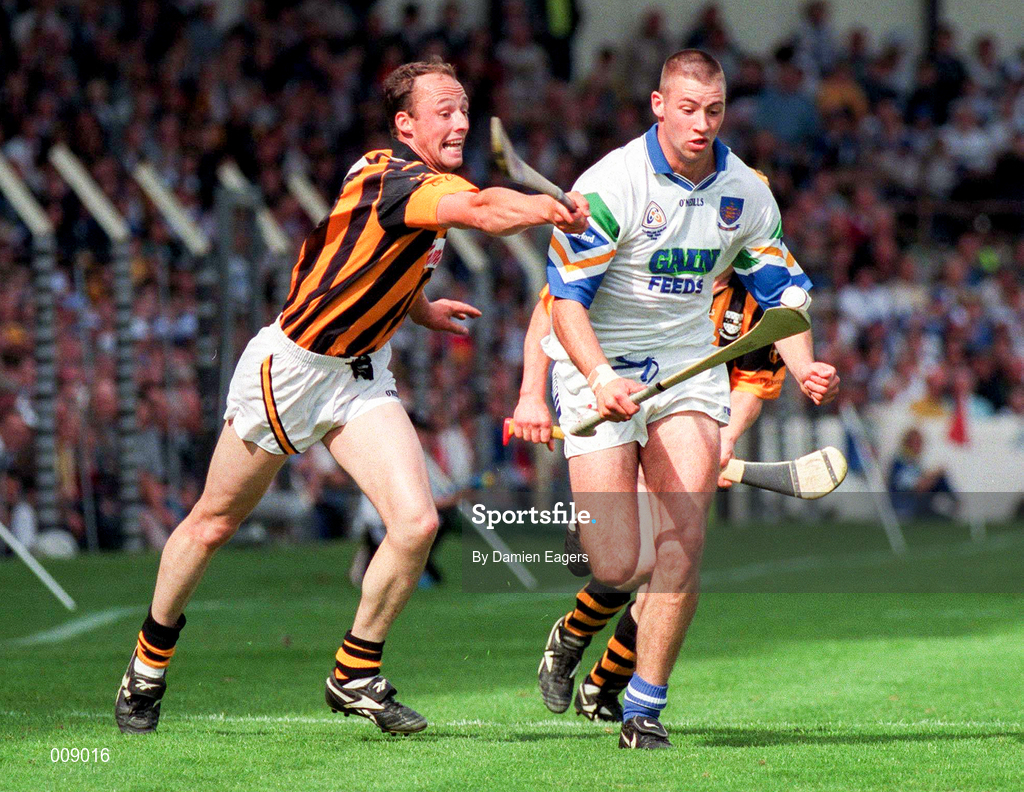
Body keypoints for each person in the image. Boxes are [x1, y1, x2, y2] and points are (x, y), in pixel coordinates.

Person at [115, 58, 589, 737]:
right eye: (443, 112)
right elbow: (482, 209)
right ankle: (147, 665)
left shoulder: (415, 185)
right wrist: (546, 209)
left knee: (417, 524)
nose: (458, 122)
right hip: (294, 372)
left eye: (462, 110)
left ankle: (354, 672)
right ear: (406, 124)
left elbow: (371, 257)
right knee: (214, 523)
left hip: (360, 372)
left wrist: (420, 310)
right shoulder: (400, 180)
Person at [533, 49, 838, 748]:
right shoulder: (611, 185)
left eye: (716, 110)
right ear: (658, 105)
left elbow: (782, 297)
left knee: (682, 541)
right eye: (689, 109)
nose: (703, 124)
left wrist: (806, 362)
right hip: (597, 368)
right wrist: (603, 378)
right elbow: (565, 305)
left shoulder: (746, 191)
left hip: (689, 368)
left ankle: (644, 708)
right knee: (617, 565)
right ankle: (575, 629)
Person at [514, 266, 798, 724]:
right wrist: (531, 392)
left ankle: (604, 684)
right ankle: (571, 638)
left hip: (686, 415)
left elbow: (751, 381)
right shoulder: (647, 242)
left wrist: (726, 440)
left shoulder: (758, 291)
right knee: (630, 562)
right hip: (609, 400)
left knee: (669, 565)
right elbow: (551, 311)